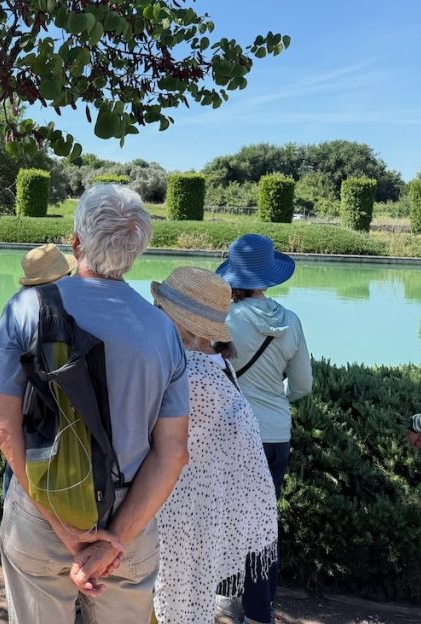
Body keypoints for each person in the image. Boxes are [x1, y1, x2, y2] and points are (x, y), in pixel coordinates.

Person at [0, 183, 189, 623]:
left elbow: (4, 429)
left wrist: (67, 532)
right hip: (129, 520)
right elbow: (172, 453)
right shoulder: (163, 331)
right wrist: (112, 542)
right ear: (136, 252)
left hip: (43, 511)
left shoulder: (25, 308)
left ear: (76, 242)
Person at [149, 267, 278, 624]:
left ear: (185, 324)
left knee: (176, 600)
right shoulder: (217, 364)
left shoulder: (192, 374)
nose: (155, 315)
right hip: (205, 507)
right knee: (187, 600)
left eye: (161, 309)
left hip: (182, 514)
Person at [215, 233, 312, 624]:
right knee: (263, 522)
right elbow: (303, 385)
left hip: (232, 433)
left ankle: (227, 600)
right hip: (276, 436)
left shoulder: (223, 319)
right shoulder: (292, 320)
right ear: (268, 277)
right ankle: (261, 609)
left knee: (228, 517)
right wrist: (276, 402)